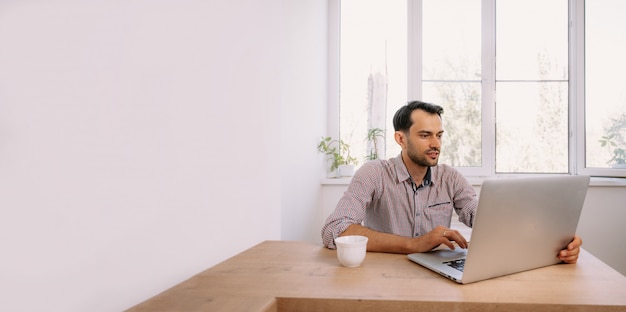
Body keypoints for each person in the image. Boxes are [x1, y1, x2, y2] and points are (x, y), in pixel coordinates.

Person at [321, 100, 583, 264]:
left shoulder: (450, 177)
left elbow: (485, 218)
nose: (436, 144)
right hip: (387, 274)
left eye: (439, 135)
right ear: (400, 139)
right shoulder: (374, 173)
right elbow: (334, 230)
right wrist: (413, 244)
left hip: (437, 274)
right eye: (425, 135)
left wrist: (554, 240)